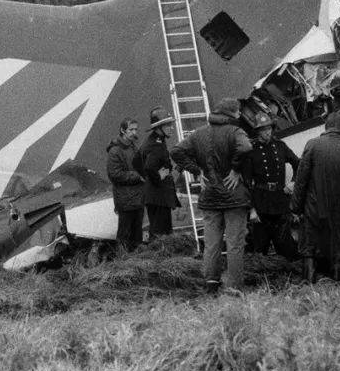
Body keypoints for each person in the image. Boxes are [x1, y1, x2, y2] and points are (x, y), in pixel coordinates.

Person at [171, 98, 252, 294]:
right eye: (238, 111)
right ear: (230, 114)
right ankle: (235, 286)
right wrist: (235, 168)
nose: (240, 115)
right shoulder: (236, 131)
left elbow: (176, 151)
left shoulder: (198, 134)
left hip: (210, 197)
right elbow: (246, 148)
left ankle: (211, 284)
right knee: (234, 244)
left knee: (212, 244)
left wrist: (197, 171)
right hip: (234, 197)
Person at [291, 112, 340, 282]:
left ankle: (308, 283)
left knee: (309, 246)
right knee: (338, 246)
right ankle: (337, 282)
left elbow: (301, 180)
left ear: (326, 127)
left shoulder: (312, 145)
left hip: (314, 206)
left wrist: (296, 207)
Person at [241, 111, 299, 258]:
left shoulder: (280, 146)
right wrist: (251, 209)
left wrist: (293, 183)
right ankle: (262, 275)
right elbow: (246, 182)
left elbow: (298, 163)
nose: (267, 132)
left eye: (268, 129)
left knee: (285, 244)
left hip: (280, 199)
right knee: (260, 246)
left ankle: (288, 273)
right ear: (257, 132)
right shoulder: (251, 151)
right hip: (261, 201)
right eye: (263, 130)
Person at [137, 108, 180, 240]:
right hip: (158, 196)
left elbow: (136, 162)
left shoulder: (154, 141)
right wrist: (158, 178)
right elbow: (149, 167)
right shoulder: (155, 145)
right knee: (161, 233)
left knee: (160, 231)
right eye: (168, 125)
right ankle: (159, 258)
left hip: (155, 196)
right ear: (159, 127)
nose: (171, 128)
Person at [107, 118, 145, 251]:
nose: (134, 132)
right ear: (123, 130)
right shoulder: (115, 151)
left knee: (137, 234)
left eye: (136, 129)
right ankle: (122, 262)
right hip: (125, 199)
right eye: (131, 129)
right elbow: (115, 175)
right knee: (124, 234)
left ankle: (137, 261)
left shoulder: (134, 147)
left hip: (138, 198)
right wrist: (137, 176)